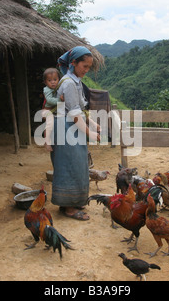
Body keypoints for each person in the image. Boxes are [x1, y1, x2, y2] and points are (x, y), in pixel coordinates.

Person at [50, 46, 100, 221]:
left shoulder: (75, 81)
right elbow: (74, 114)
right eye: (84, 66)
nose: (86, 70)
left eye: (88, 67)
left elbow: (80, 108)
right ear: (73, 63)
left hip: (72, 128)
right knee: (68, 166)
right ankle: (68, 207)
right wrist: (90, 134)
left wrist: (92, 123)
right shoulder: (69, 83)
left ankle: (74, 200)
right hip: (65, 128)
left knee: (79, 164)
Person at [42, 68, 64, 152]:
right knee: (49, 124)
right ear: (45, 82)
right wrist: (60, 100)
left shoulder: (58, 88)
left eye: (55, 79)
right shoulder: (47, 90)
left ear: (59, 79)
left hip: (54, 110)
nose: (53, 82)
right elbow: (49, 100)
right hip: (47, 110)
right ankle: (47, 142)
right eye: (49, 80)